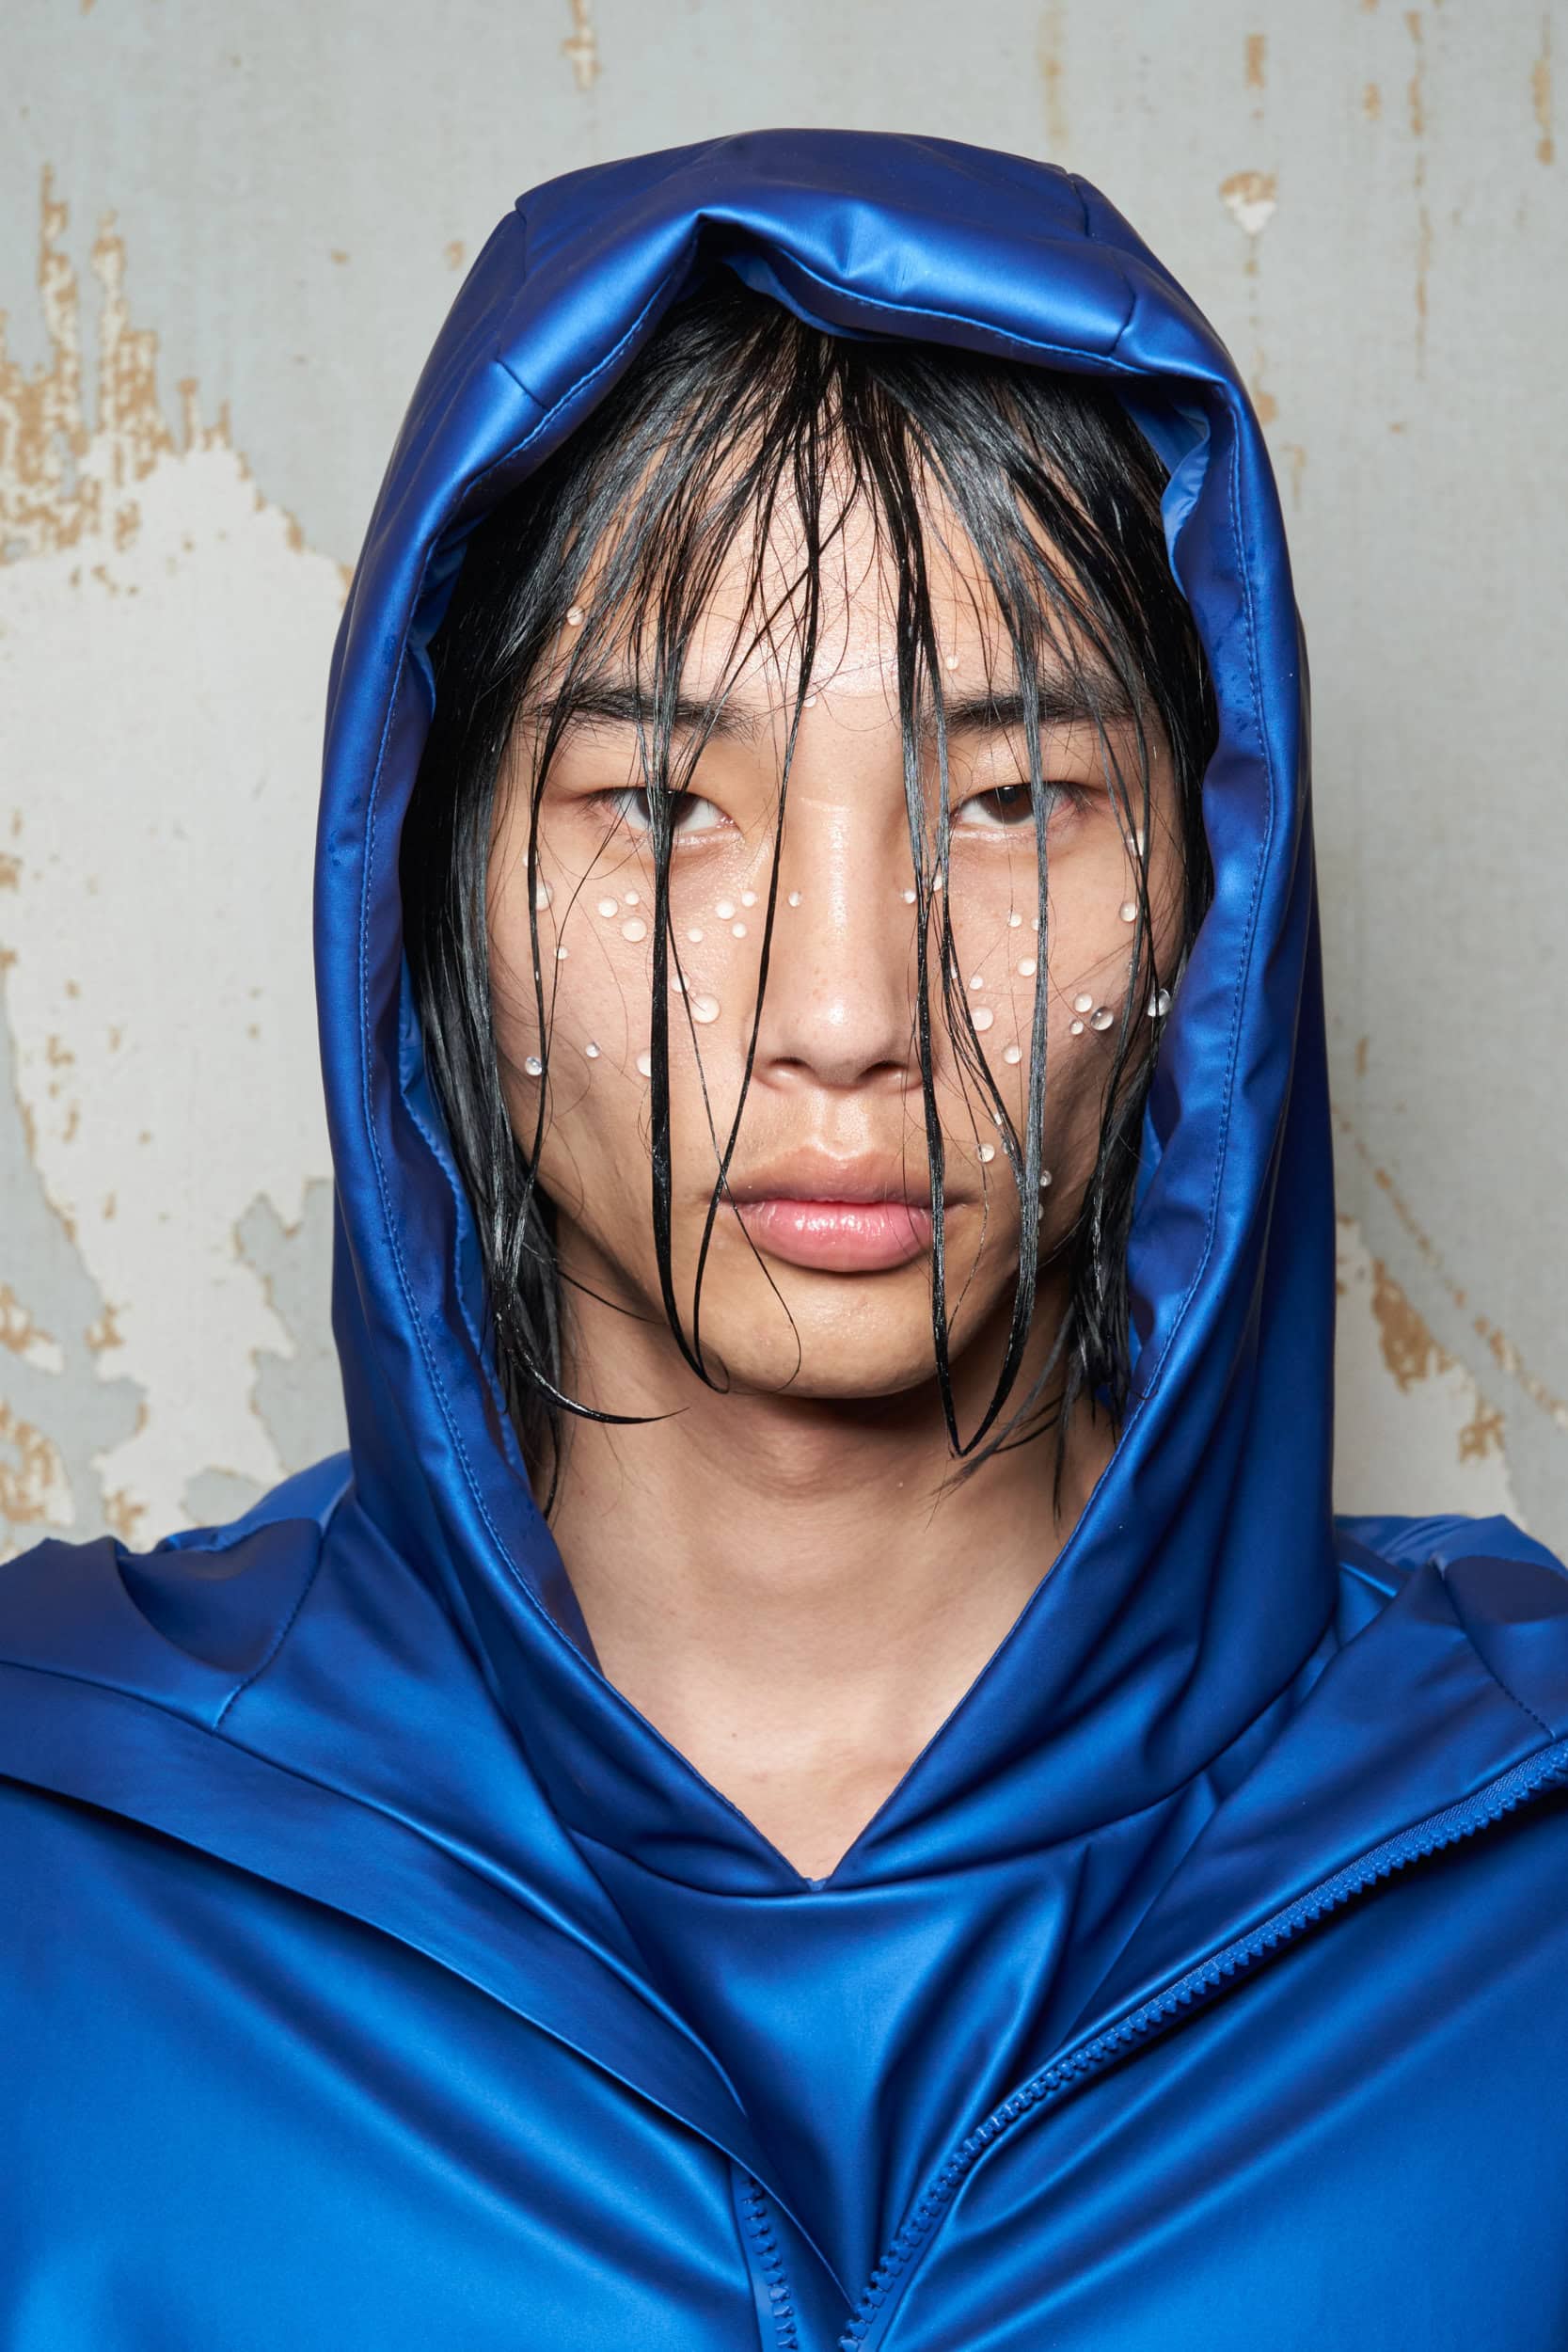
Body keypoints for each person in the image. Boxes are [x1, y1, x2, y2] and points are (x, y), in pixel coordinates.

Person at [2, 127, 1565, 2350]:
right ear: (425, 878)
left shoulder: (1522, 1865)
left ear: (1214, 905)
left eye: (1015, 802)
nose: (841, 1012)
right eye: (658, 804)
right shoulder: (58, 1848)